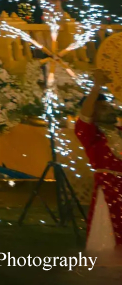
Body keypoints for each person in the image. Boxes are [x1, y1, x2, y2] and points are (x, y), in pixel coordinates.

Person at [75, 70, 122, 267]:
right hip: (109, 192)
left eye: (109, 105)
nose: (110, 109)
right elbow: (85, 115)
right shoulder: (91, 136)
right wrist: (96, 86)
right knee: (108, 242)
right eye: (103, 108)